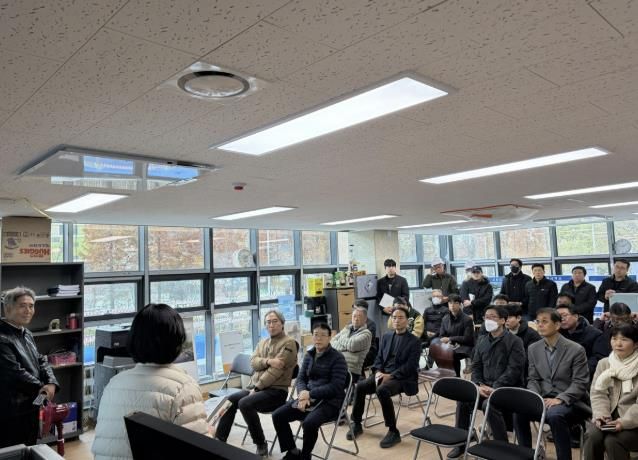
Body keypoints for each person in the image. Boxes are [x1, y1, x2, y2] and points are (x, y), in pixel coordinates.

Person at [92, 304, 208, 460]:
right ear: (177, 342)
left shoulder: (113, 384)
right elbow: (198, 452)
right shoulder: (183, 387)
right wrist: (210, 434)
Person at [215, 309, 297, 456]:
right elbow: (253, 363)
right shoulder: (262, 342)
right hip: (259, 389)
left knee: (245, 403)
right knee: (231, 400)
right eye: (268, 322)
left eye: (275, 321)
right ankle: (219, 440)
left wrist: (257, 388)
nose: (271, 325)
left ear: (282, 323)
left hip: (276, 392)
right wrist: (268, 361)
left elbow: (275, 372)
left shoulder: (289, 343)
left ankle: (260, 443)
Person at [448, 305, 525, 459]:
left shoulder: (514, 341)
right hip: (484, 387)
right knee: (463, 400)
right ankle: (461, 443)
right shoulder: (482, 339)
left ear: (502, 320)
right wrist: (478, 384)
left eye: (492, 317)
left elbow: (514, 370)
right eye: (486, 317)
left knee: (488, 404)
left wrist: (494, 387)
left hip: (507, 389)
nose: (488, 320)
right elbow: (476, 366)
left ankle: (502, 448)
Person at [514, 308, 591, 460]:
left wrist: (560, 399)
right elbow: (533, 378)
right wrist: (535, 397)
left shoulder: (576, 349)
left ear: (557, 325)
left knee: (555, 415)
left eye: (545, 321)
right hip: (544, 399)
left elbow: (580, 382)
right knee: (519, 411)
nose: (540, 325)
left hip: (571, 401)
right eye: (538, 321)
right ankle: (525, 455)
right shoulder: (533, 348)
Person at [348, 305, 421, 449]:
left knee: (382, 390)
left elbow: (411, 366)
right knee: (360, 386)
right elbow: (379, 358)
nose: (397, 320)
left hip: (402, 378)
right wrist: (377, 371)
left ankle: (393, 431)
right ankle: (356, 423)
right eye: (394, 318)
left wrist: (391, 375)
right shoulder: (386, 336)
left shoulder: (414, 341)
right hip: (383, 374)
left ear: (407, 321)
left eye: (400, 318)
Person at [272, 323, 347, 460]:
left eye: (323, 335)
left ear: (330, 337)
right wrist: (302, 395)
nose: (319, 338)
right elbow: (301, 378)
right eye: (316, 335)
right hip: (307, 398)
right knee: (278, 415)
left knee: (309, 423)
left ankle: (305, 456)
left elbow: (336, 387)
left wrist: (310, 394)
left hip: (330, 402)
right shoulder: (309, 354)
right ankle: (293, 451)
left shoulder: (338, 358)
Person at [0, 287, 59, 448]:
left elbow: (41, 360)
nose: (28, 311)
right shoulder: (2, 337)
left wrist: (51, 382)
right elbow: (14, 373)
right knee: (13, 452)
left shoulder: (26, 333)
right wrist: (42, 388)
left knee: (30, 448)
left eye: (31, 306)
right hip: (11, 411)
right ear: (8, 308)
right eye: (22, 306)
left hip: (32, 404)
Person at [584, 324, 638, 460]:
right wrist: (601, 415)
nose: (618, 344)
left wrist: (624, 422)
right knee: (592, 435)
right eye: (614, 339)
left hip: (634, 422)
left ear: (636, 344)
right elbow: (598, 393)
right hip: (608, 418)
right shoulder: (605, 363)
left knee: (613, 441)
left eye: (624, 339)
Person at [556, 304, 602, 376]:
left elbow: (598, 358)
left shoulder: (594, 334)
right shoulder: (556, 335)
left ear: (576, 316)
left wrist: (580, 372)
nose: (561, 319)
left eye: (564, 315)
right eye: (558, 317)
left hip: (585, 375)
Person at [592, 303, 638, 375]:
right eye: (616, 320)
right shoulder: (604, 330)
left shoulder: (635, 330)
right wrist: (600, 321)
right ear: (611, 318)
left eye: (624, 319)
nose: (620, 323)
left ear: (630, 317)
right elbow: (594, 335)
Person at [331, 305, 372, 383]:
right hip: (337, 365)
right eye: (354, 316)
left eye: (359, 316)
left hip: (351, 370)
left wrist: (341, 340)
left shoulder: (367, 334)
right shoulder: (347, 328)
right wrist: (346, 346)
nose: (356, 319)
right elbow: (332, 342)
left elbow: (352, 345)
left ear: (365, 319)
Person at [437, 294, 474, 377]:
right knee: (437, 351)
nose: (452, 305)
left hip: (465, 346)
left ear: (460, 304)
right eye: (450, 303)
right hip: (451, 345)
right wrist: (447, 342)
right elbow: (441, 335)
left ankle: (456, 377)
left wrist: (450, 339)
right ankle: (446, 375)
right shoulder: (445, 319)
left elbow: (468, 338)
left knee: (452, 354)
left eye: (455, 303)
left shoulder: (467, 319)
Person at [376, 259, 410, 323]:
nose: (391, 268)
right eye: (389, 266)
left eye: (393, 266)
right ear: (385, 268)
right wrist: (383, 308)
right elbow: (378, 297)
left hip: (399, 311)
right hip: (386, 312)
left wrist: (396, 306)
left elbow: (406, 296)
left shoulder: (402, 280)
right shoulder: (380, 282)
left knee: (399, 327)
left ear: (395, 268)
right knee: (387, 328)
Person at [353, 299, 378, 371]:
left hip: (367, 352)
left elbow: (362, 342)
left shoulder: (371, 324)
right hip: (354, 349)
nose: (353, 310)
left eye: (355, 308)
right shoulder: (351, 323)